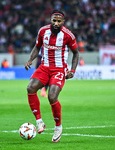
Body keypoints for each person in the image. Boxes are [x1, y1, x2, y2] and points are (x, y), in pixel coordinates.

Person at [25, 10, 79, 143]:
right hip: (44, 67)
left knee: (52, 96)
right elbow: (37, 47)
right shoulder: (43, 31)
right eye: (54, 20)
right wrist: (30, 60)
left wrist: (72, 70)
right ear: (50, 20)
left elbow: (76, 53)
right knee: (30, 88)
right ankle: (39, 121)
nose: (56, 23)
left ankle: (58, 127)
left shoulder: (68, 35)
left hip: (59, 69)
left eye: (59, 21)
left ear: (63, 22)